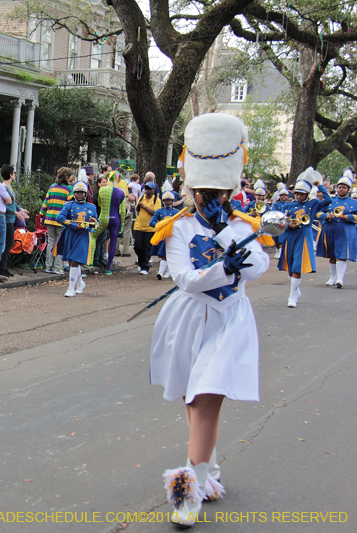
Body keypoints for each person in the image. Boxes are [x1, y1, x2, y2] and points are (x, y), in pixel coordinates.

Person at [150, 113, 270, 527]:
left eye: (219, 192)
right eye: (204, 192)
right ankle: (210, 471)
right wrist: (223, 268)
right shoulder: (178, 227)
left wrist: (226, 236)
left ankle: (188, 492)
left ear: (231, 188)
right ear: (192, 188)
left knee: (206, 398)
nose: (211, 199)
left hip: (229, 322)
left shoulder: (242, 225)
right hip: (187, 321)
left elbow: (257, 268)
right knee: (193, 398)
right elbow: (184, 279)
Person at [278, 167, 331, 307]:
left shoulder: (313, 204)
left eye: (302, 194)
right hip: (290, 235)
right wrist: (289, 225)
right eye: (297, 194)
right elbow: (281, 221)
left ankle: (292, 296)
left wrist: (319, 185)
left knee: (297, 265)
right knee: (289, 265)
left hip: (303, 235)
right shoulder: (288, 205)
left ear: (307, 194)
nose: (299, 197)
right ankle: (295, 290)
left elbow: (327, 200)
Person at [55, 181, 97, 297]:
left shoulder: (91, 207)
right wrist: (74, 226)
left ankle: (70, 288)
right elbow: (59, 218)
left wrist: (94, 222)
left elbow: (95, 223)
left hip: (83, 235)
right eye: (77, 192)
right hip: (71, 234)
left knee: (74, 260)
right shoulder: (69, 205)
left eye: (82, 193)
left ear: (85, 194)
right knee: (73, 261)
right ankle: (80, 283)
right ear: (74, 193)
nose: (80, 195)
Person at [316, 173, 357, 288]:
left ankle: (340, 279)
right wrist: (326, 216)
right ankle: (332, 277)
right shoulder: (330, 201)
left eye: (344, 187)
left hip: (345, 230)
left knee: (341, 254)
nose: (341, 189)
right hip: (330, 229)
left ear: (348, 189)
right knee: (332, 255)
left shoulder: (354, 203)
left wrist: (348, 217)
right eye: (339, 187)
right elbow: (318, 212)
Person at [39, 167, 75, 274]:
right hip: (61, 219)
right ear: (67, 177)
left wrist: (42, 214)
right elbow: (70, 206)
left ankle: (48, 266)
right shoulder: (69, 189)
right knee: (60, 243)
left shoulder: (52, 187)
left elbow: (46, 202)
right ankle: (57, 267)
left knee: (51, 242)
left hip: (50, 218)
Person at [0, 165, 28, 278]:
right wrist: (15, 212)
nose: (15, 174)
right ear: (10, 175)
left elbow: (12, 203)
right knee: (8, 243)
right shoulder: (4, 187)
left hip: (11, 218)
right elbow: (4, 205)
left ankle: (3, 267)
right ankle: (2, 268)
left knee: (9, 242)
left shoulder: (9, 186)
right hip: (7, 218)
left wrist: (20, 209)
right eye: (14, 173)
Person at [96, 170, 126, 274]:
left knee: (92, 237)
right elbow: (122, 211)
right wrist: (121, 226)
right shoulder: (121, 193)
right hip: (115, 219)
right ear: (119, 180)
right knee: (113, 242)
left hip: (103, 217)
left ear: (108, 179)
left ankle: (90, 263)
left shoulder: (102, 190)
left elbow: (99, 203)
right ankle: (108, 269)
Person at [149, 190, 180, 280]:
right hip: (162, 235)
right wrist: (158, 225)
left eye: (169, 200)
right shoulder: (159, 211)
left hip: (172, 235)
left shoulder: (176, 212)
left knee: (169, 254)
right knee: (164, 254)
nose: (168, 202)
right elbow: (152, 222)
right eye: (166, 200)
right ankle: (163, 272)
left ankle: (163, 272)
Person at [133, 181, 161, 274]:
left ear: (153, 190)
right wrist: (140, 205)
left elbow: (155, 213)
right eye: (146, 188)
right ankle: (141, 262)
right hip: (139, 226)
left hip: (150, 228)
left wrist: (144, 206)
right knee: (137, 246)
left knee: (147, 247)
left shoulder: (156, 200)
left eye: (149, 189)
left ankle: (145, 266)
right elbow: (137, 209)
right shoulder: (141, 197)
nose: (147, 191)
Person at [120, 174, 140, 257]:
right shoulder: (129, 189)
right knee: (127, 230)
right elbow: (131, 198)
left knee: (118, 229)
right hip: (127, 208)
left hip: (119, 209)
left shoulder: (116, 187)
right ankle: (125, 251)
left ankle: (116, 250)